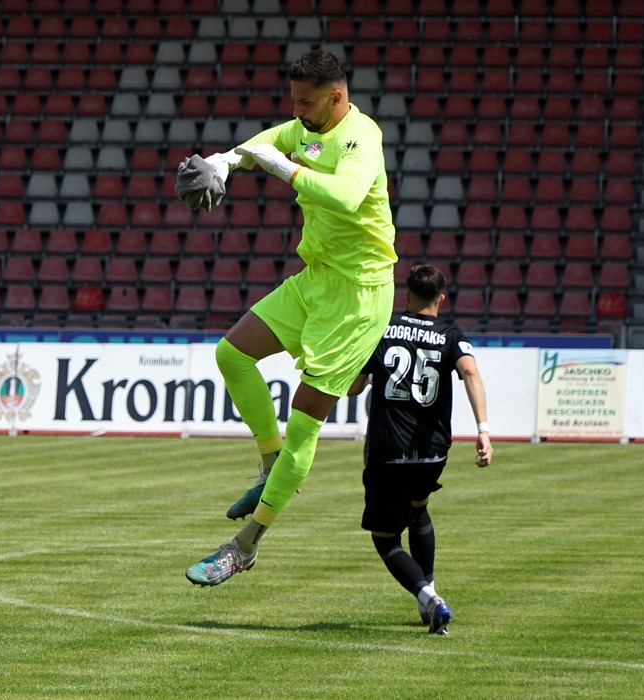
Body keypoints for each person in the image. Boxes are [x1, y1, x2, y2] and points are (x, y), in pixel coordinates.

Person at [179, 49, 397, 587]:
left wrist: (283, 167)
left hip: (358, 297)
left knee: (305, 423)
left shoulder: (361, 137)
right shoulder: (307, 125)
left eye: (306, 102)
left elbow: (347, 198)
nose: (296, 112)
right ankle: (269, 460)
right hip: (316, 279)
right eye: (293, 101)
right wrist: (224, 163)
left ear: (336, 97)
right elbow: (260, 146)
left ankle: (246, 544)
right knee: (231, 352)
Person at [347, 264, 492, 635]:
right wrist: (483, 431)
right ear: (441, 299)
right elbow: (471, 373)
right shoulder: (451, 335)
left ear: (406, 296)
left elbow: (353, 388)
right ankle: (428, 600)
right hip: (433, 452)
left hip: (387, 450)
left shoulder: (383, 329)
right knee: (419, 507)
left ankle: (428, 596)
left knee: (385, 539)